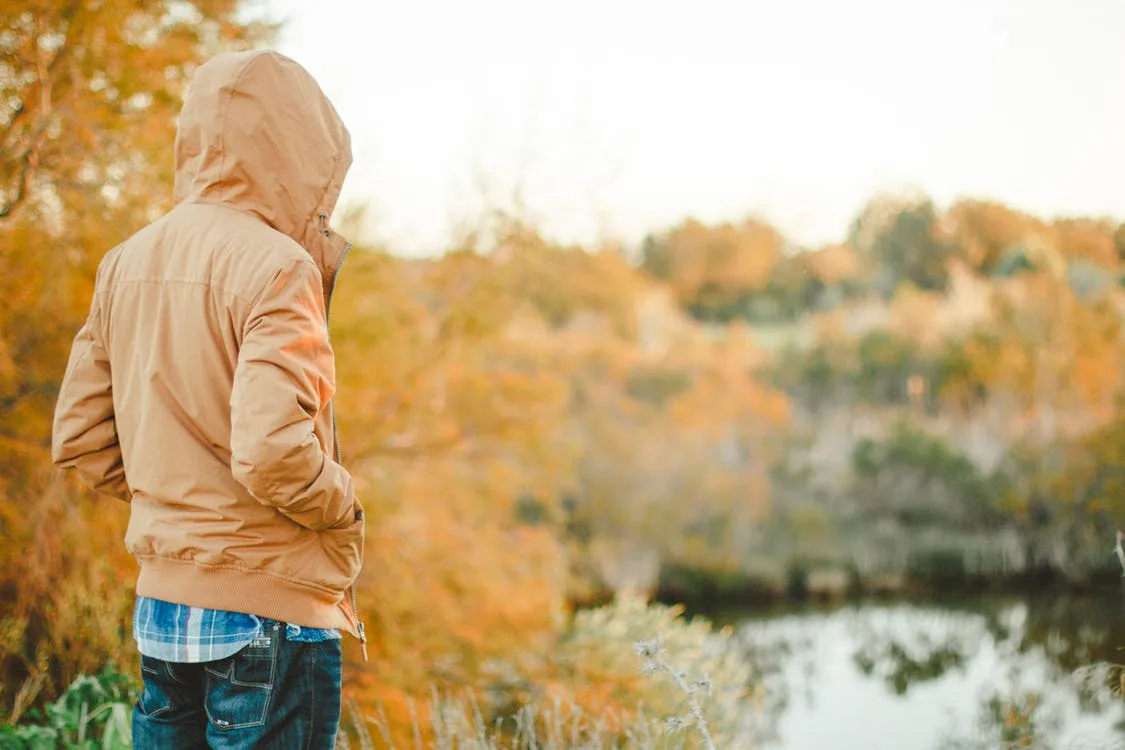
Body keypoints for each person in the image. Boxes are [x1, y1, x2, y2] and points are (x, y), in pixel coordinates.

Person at [51, 49, 366, 750]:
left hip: (165, 607)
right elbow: (272, 454)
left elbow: (80, 436)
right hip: (269, 615)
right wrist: (343, 503)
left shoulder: (125, 260)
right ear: (300, 149)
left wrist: (179, 506)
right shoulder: (279, 264)